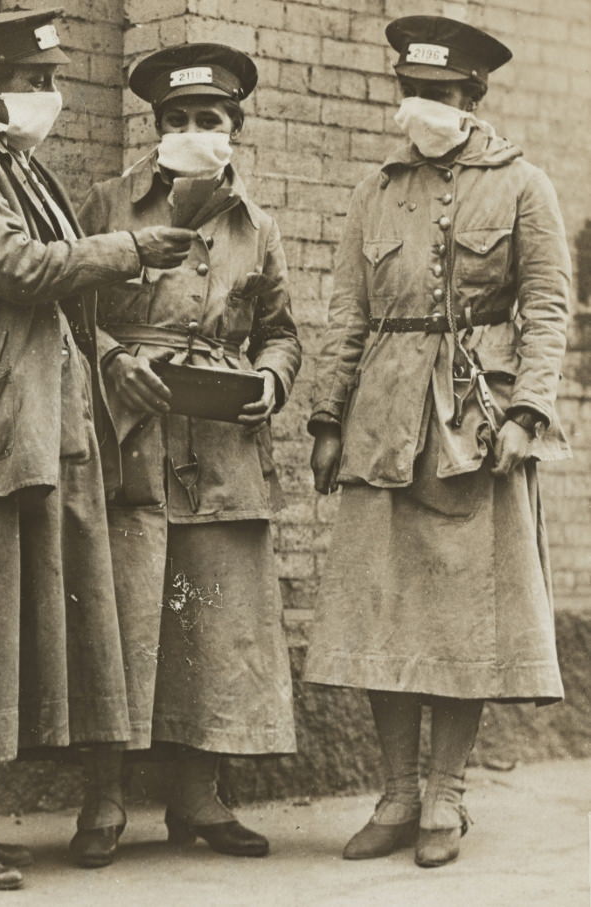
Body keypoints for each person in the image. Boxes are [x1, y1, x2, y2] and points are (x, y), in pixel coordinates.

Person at [0, 8, 196, 890]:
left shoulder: (18, 166)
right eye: (36, 82)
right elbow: (18, 268)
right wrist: (127, 249)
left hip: (30, 424)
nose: (50, 99)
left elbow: (57, 306)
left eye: (52, 81)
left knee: (0, 623)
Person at [304, 15, 570, 868]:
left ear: (474, 98)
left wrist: (528, 413)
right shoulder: (374, 192)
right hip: (382, 423)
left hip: (477, 422)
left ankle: (447, 796)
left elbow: (548, 308)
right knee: (384, 606)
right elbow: (348, 312)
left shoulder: (526, 185)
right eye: (411, 91)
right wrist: (326, 417)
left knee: (463, 618)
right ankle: (397, 793)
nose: (423, 107)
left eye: (442, 94)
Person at [75, 42, 301, 864]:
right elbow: (67, 308)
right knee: (120, 612)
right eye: (177, 120)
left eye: (209, 120)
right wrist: (111, 360)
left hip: (222, 443)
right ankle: (101, 798)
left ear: (234, 129)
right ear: (156, 127)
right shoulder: (109, 201)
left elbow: (280, 331)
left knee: (213, 619)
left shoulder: (258, 225)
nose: (193, 131)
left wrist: (271, 380)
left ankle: (199, 796)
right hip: (130, 434)